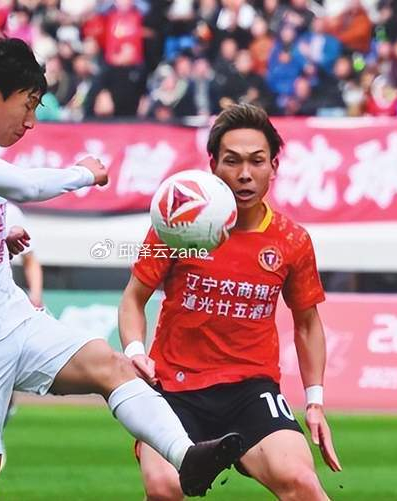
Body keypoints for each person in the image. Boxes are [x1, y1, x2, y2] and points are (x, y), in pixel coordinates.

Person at [0, 37, 243, 501]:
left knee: (112, 365)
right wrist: (84, 172)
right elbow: (23, 186)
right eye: (27, 105)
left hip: (13, 319)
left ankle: (188, 458)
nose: (31, 121)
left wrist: (1, 234)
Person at [119, 103, 342, 501]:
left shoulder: (291, 240)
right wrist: (135, 351)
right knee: (164, 487)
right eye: (232, 161)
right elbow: (133, 299)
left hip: (250, 390)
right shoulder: (178, 225)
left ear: (273, 166)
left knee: (301, 482)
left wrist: (315, 402)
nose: (244, 174)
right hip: (174, 388)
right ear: (213, 166)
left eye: (256, 161)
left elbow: (307, 323)